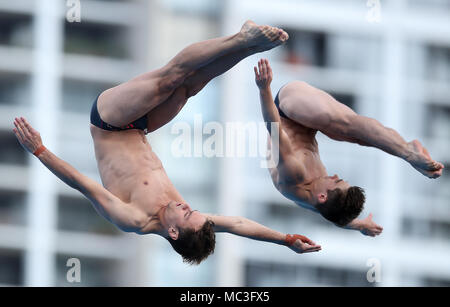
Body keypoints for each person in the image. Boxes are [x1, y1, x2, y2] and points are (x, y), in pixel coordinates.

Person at [12, 21, 322, 266]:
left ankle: (241, 38)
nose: (187, 206)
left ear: (172, 232)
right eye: (193, 210)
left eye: (186, 213)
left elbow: (81, 183)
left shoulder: (132, 218)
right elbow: (239, 224)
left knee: (169, 80)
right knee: (189, 88)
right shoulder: (194, 223)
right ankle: (249, 45)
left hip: (110, 121)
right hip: (141, 128)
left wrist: (40, 150)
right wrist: (285, 239)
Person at [253, 58, 444, 237]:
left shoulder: (294, 175)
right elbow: (336, 217)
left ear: (321, 196)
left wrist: (264, 88)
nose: (335, 176)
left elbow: (274, 127)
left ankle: (407, 152)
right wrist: (359, 225)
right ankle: (405, 149)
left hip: (286, 107)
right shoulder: (320, 201)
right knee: (357, 138)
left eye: (337, 181)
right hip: (309, 125)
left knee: (346, 125)